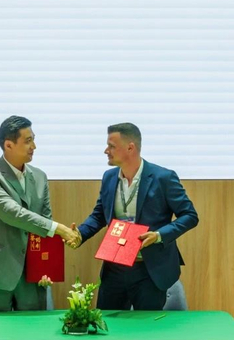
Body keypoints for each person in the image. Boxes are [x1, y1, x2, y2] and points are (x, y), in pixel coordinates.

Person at [72, 123, 198, 310]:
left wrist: (159, 235)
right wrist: (80, 234)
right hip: (114, 267)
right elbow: (99, 215)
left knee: (146, 326)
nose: (106, 151)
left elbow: (189, 215)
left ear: (130, 148)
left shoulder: (163, 178)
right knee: (108, 323)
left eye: (111, 146)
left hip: (149, 269)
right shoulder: (109, 177)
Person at [0, 115, 80, 312]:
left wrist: (46, 267)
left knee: (34, 329)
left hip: (33, 273)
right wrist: (60, 229)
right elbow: (12, 213)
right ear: (8, 145)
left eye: (33, 139)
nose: (34, 146)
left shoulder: (39, 176)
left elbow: (45, 221)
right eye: (28, 141)